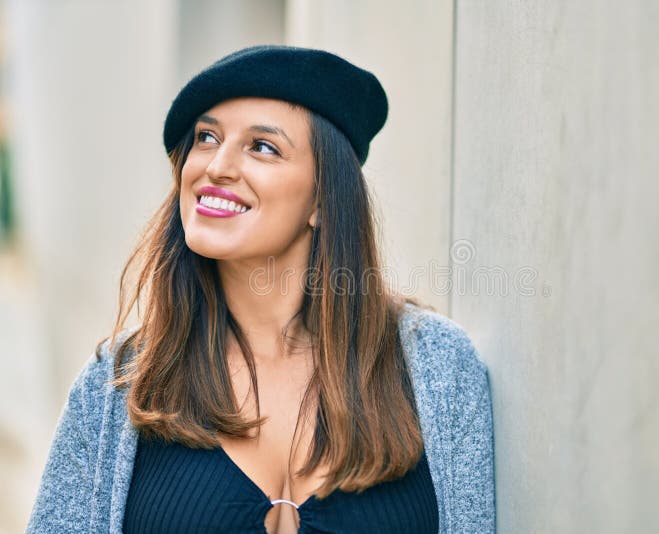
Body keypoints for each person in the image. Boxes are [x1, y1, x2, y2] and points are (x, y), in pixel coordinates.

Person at [25, 44, 495, 534]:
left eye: (263, 147)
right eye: (206, 138)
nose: (216, 166)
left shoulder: (437, 366)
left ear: (323, 200)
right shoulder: (120, 386)